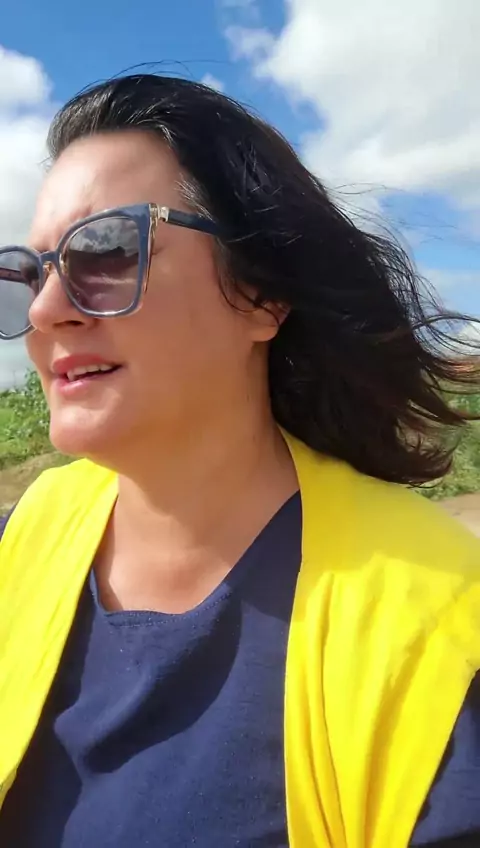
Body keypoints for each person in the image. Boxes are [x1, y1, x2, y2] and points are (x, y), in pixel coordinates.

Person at [0, 74, 479, 848]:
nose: (47, 312)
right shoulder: (25, 536)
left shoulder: (436, 625)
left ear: (259, 295)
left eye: (106, 250)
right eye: (28, 274)